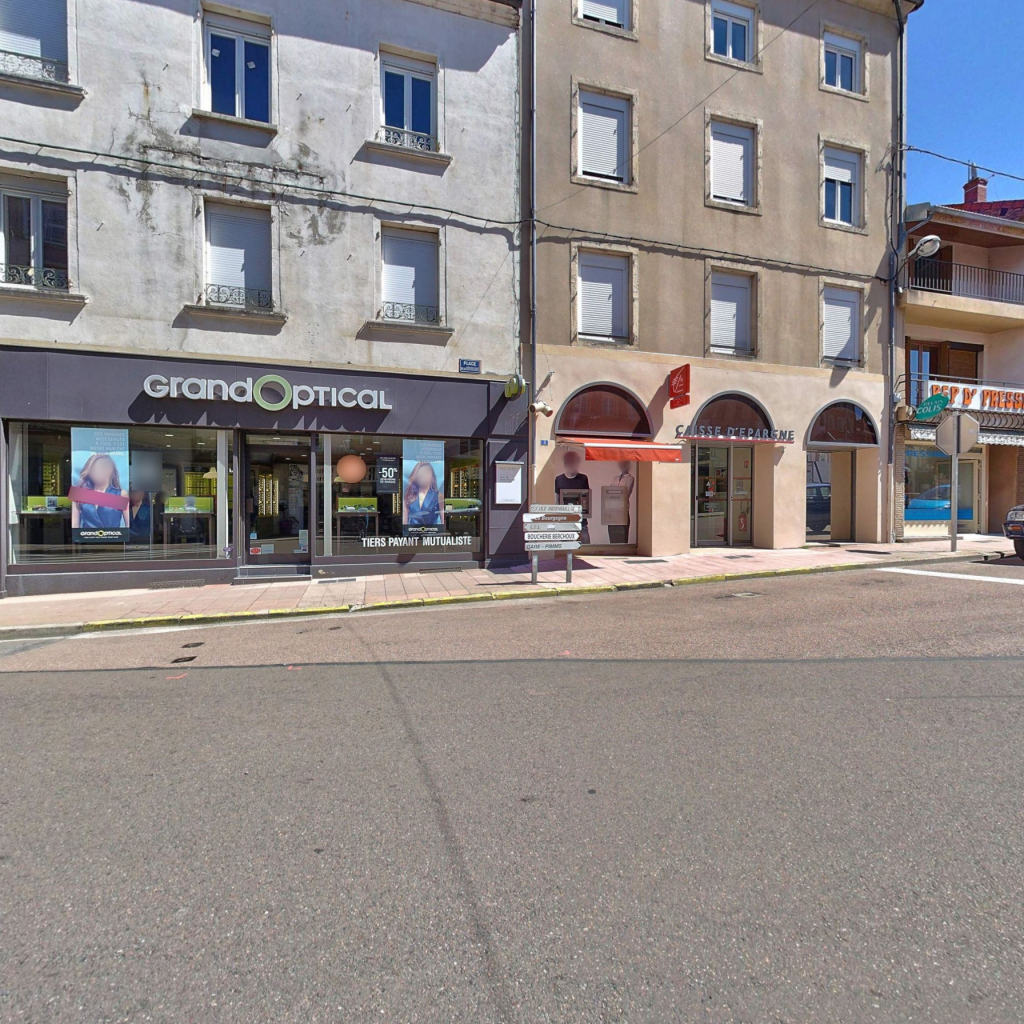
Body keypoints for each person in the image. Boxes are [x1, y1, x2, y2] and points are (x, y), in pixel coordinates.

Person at [70, 453, 129, 532]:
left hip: (113, 538)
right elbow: (75, 526)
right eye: (95, 468)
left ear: (111, 471)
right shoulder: (79, 494)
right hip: (87, 538)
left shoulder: (121, 494)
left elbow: (128, 526)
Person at [555, 449, 590, 544]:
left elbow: (586, 499)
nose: (572, 464)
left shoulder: (583, 479)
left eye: (574, 461)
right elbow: (556, 501)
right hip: (565, 524)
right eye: (569, 461)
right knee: (565, 548)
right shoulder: (559, 480)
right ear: (565, 463)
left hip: (581, 523)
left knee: (585, 548)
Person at [403, 461, 443, 528]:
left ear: (432, 476)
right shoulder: (409, 496)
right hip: (413, 532)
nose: (424, 476)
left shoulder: (438, 496)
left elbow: (443, 521)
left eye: (427, 473)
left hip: (432, 532)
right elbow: (404, 522)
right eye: (422, 473)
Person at [607, 460, 635, 544]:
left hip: (622, 512)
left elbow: (625, 493)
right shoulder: (615, 478)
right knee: (612, 539)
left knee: (622, 540)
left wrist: (613, 493)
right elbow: (608, 492)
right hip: (612, 512)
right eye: (621, 463)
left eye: (624, 464)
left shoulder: (630, 478)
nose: (622, 465)